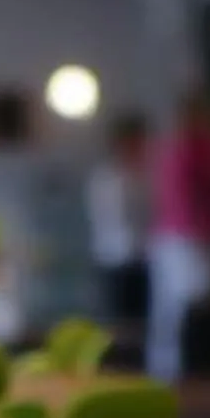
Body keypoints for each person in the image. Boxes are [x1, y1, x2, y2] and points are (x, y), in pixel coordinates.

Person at [147, 90, 210, 382]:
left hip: (184, 237)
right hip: (188, 237)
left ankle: (183, 374)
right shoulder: (188, 148)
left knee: (181, 311)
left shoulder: (176, 147)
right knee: (189, 308)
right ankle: (186, 376)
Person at [85, 116, 153, 331]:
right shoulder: (105, 178)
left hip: (144, 258)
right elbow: (108, 219)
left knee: (142, 322)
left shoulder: (146, 176)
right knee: (116, 323)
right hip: (113, 258)